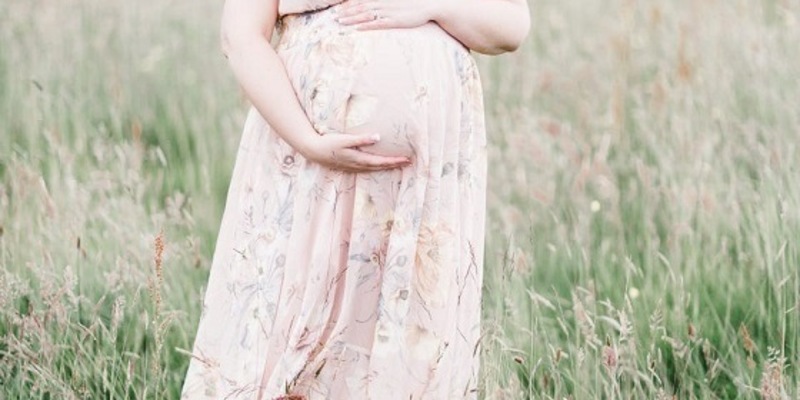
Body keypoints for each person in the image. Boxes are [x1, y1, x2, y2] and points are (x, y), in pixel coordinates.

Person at [180, 0, 529, 398]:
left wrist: (434, 6)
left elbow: (512, 25)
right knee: (293, 339)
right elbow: (240, 37)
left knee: (404, 343)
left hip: (423, 188)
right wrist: (308, 141)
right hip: (308, 166)